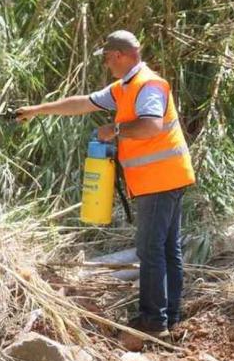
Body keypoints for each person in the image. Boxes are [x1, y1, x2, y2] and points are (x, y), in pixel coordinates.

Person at [16, 30, 195, 338]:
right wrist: (36, 110)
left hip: (160, 179)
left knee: (151, 249)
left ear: (120, 56)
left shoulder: (148, 85)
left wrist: (114, 129)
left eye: (107, 59)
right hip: (166, 176)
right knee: (166, 249)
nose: (105, 65)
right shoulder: (124, 87)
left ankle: (153, 321)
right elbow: (83, 103)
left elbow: (151, 126)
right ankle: (169, 316)